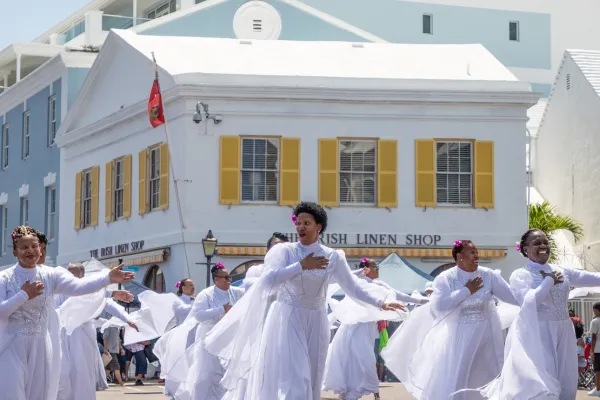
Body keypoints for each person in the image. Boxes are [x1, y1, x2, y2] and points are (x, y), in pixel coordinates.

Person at [205, 201, 404, 400]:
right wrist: (301, 266)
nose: (300, 227)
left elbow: (352, 286)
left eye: (306, 223)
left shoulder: (334, 256)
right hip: (289, 317)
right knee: (297, 378)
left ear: (318, 227)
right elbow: (268, 281)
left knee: (313, 378)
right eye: (298, 223)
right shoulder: (286, 251)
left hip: (317, 320)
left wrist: (381, 303)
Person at [0, 226, 135, 400]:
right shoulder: (4, 278)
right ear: (15, 252)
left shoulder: (51, 275)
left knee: (38, 394)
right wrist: (23, 295)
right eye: (24, 247)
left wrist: (108, 278)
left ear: (41, 249)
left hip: (41, 345)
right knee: (12, 393)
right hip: (12, 345)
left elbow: (79, 287)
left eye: (34, 246)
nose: (30, 251)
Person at [381, 239, 519, 400]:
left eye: (477, 252)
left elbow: (512, 297)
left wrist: (534, 299)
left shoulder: (488, 275)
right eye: (472, 252)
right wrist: (466, 291)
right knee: (460, 376)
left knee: (489, 376)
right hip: (460, 338)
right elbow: (438, 307)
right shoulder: (446, 278)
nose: (477, 255)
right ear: (460, 256)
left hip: (488, 337)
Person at [482, 229, 600, 400]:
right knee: (544, 380)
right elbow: (528, 302)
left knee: (567, 377)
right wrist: (548, 281)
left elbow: (590, 277)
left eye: (545, 242)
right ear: (525, 249)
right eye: (537, 243)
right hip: (538, 331)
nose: (543, 245)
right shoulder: (520, 275)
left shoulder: (562, 270)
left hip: (564, 330)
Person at [323, 257, 422, 400]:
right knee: (355, 358)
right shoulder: (355, 283)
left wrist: (420, 300)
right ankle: (355, 391)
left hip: (366, 327)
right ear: (366, 269)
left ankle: (367, 391)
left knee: (364, 358)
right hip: (352, 326)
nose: (378, 269)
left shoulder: (379, 285)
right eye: (375, 266)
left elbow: (397, 294)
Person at [55, 262, 138, 399]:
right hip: (64, 334)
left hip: (83, 335)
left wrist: (127, 319)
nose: (70, 276)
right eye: (69, 272)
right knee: (63, 371)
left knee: (83, 370)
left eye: (74, 273)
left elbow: (108, 304)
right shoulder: (61, 289)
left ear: (82, 275)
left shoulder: (91, 289)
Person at [170, 263, 245, 399]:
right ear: (217, 279)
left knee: (228, 373)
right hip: (209, 338)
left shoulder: (237, 292)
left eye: (230, 277)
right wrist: (222, 309)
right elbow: (198, 315)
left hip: (229, 338)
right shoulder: (206, 294)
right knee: (208, 374)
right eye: (226, 277)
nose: (229, 280)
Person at [589, 302, 600, 396]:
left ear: (596, 310)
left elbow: (593, 337)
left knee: (597, 369)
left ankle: (598, 389)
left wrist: (592, 350)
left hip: (598, 349)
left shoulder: (595, 321)